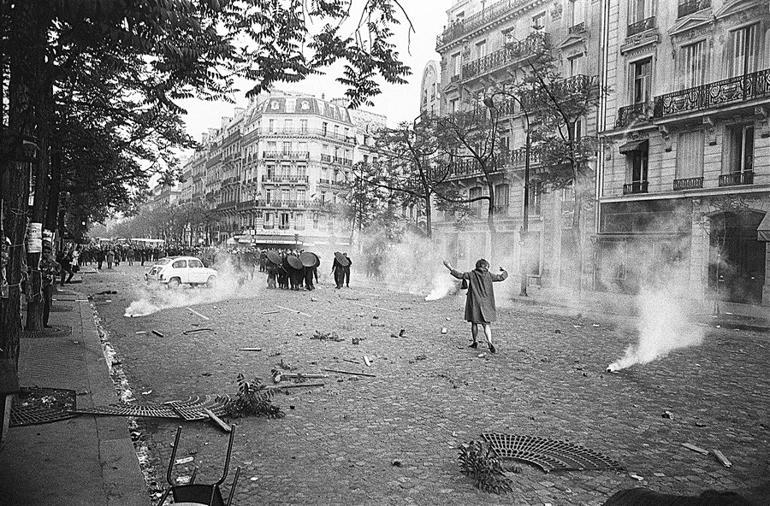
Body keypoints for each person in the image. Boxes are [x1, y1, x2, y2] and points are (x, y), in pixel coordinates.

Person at [443, 258, 507, 354]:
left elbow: (460, 275)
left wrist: (449, 267)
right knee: (486, 325)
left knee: (474, 323)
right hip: (486, 303)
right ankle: (489, 342)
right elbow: (501, 277)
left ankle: (475, 341)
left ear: (477, 266)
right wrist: (505, 271)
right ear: (486, 266)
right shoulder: (489, 275)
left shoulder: (472, 274)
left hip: (475, 302)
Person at [40, 244, 61, 328]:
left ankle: (45, 322)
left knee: (47, 304)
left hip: (48, 285)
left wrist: (56, 272)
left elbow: (58, 266)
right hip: (40, 284)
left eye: (48, 252)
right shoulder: (40, 262)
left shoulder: (51, 262)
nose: (46, 254)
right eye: (45, 252)